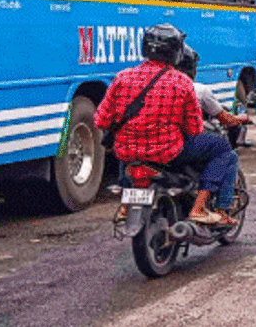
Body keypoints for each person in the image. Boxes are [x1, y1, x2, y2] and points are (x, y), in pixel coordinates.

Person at [95, 24, 240, 225]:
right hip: (167, 152)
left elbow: (100, 120)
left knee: (126, 147)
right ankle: (199, 208)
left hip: (128, 152)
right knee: (222, 148)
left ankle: (125, 206)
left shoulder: (122, 77)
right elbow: (194, 129)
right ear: (176, 52)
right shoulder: (182, 82)